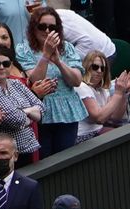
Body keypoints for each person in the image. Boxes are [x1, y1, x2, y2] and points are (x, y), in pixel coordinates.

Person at [16, 6, 85, 158]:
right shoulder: (24, 49)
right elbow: (35, 80)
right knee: (45, 161)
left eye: (52, 27)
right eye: (42, 26)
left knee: (65, 160)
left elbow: (77, 81)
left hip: (67, 111)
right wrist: (46, 55)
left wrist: (59, 62)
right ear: (34, 28)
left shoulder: (67, 48)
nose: (47, 31)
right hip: (41, 111)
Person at [0, 46, 43, 165]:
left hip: (27, 149)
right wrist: (29, 113)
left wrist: (23, 112)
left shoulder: (15, 83)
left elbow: (41, 108)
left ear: (11, 65)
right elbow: (15, 120)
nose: (1, 67)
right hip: (3, 155)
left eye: (6, 63)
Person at [75, 50, 130, 143]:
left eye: (103, 68)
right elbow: (99, 118)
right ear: (86, 67)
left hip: (98, 131)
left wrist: (124, 92)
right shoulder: (81, 87)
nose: (99, 71)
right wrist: (117, 94)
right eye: (95, 67)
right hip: (83, 137)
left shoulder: (102, 89)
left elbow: (115, 117)